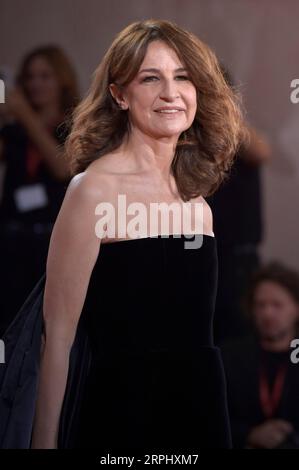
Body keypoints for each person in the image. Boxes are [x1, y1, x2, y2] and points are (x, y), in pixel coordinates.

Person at [0, 19, 244, 450]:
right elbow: (56, 337)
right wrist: (44, 443)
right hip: (121, 414)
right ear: (119, 94)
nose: (171, 93)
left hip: (202, 411)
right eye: (151, 78)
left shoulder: (198, 206)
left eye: (183, 77)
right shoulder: (94, 190)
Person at [0, 46, 79, 335]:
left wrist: (24, 115)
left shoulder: (73, 125)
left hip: (51, 242)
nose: (36, 84)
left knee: (48, 328)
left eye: (45, 76)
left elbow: (63, 168)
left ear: (62, 80)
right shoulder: (14, 128)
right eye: (30, 77)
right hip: (11, 240)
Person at [207, 67, 271, 344]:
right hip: (199, 255)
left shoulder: (239, 135)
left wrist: (221, 110)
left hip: (237, 264)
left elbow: (261, 151)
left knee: (238, 346)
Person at [221, 262, 299, 449]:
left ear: (296, 308)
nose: (267, 313)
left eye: (277, 305)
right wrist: (249, 435)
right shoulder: (228, 357)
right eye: (260, 305)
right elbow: (206, 418)